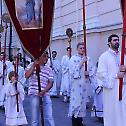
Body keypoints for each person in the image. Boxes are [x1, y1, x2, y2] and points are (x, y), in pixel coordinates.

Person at [97, 34, 126, 126]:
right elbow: (101, 75)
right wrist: (117, 75)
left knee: (123, 111)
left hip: (124, 89)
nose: (117, 42)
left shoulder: (123, 56)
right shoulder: (104, 57)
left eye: (118, 40)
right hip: (111, 91)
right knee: (113, 112)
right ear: (109, 43)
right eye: (114, 40)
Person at [68, 42, 95, 126]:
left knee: (82, 104)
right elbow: (72, 72)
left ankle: (80, 122)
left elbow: (92, 70)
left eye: (84, 48)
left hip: (84, 85)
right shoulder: (73, 58)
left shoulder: (88, 59)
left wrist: (88, 73)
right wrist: (81, 63)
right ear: (77, 49)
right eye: (81, 48)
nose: (82, 50)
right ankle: (75, 123)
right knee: (76, 104)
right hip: (76, 86)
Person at [25, 51, 55, 126]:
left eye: (47, 57)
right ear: (39, 57)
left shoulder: (49, 69)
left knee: (49, 116)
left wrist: (44, 91)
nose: (46, 58)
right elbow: (27, 75)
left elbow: (50, 83)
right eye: (44, 56)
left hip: (45, 94)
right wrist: (34, 65)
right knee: (35, 118)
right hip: (34, 94)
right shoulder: (32, 65)